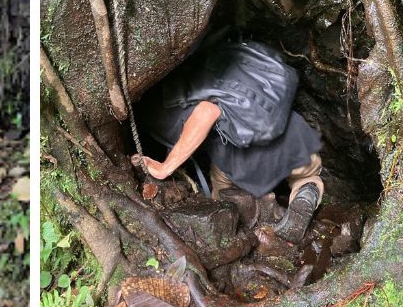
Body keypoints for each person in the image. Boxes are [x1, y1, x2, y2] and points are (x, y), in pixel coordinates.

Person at [135, 40, 324, 243]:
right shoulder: (207, 61)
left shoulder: (157, 110)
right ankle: (306, 193)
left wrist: (166, 167)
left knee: (223, 193)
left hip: (245, 155)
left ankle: (261, 226)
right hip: (293, 132)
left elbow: (207, 112)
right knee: (307, 176)